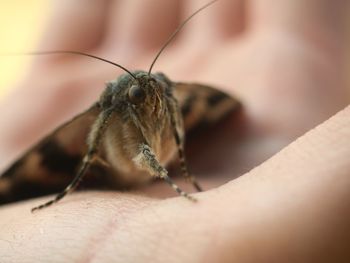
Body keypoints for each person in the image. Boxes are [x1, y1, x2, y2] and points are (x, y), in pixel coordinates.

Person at [0, 0, 349, 262]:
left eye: (159, 91)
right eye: (141, 96)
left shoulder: (168, 97)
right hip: (105, 171)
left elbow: (204, 105)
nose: (150, 99)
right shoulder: (108, 116)